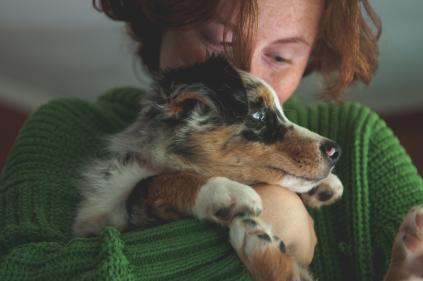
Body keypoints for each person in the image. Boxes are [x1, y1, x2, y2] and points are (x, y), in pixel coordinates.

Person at [0, 0, 422, 280]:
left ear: (310, 57)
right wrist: (272, 222)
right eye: (219, 41)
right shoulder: (67, 127)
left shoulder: (361, 140)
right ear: (164, 16)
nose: (245, 69)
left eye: (280, 57)